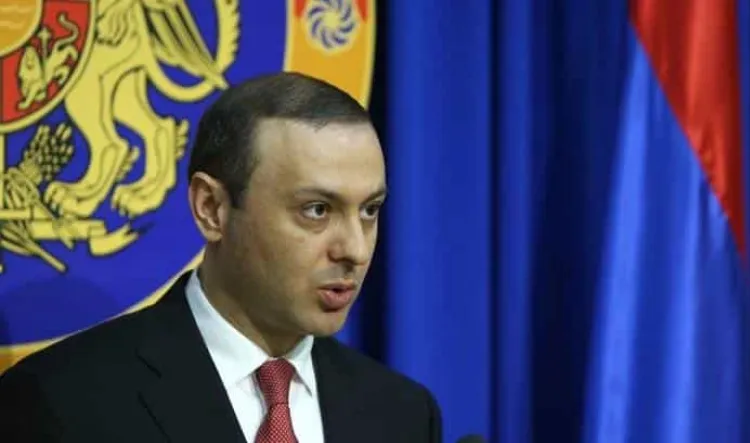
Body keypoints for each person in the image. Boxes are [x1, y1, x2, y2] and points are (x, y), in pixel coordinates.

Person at [0, 72, 442, 442]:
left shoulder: (402, 416)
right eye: (317, 210)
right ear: (211, 209)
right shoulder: (62, 404)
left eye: (369, 210)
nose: (356, 250)